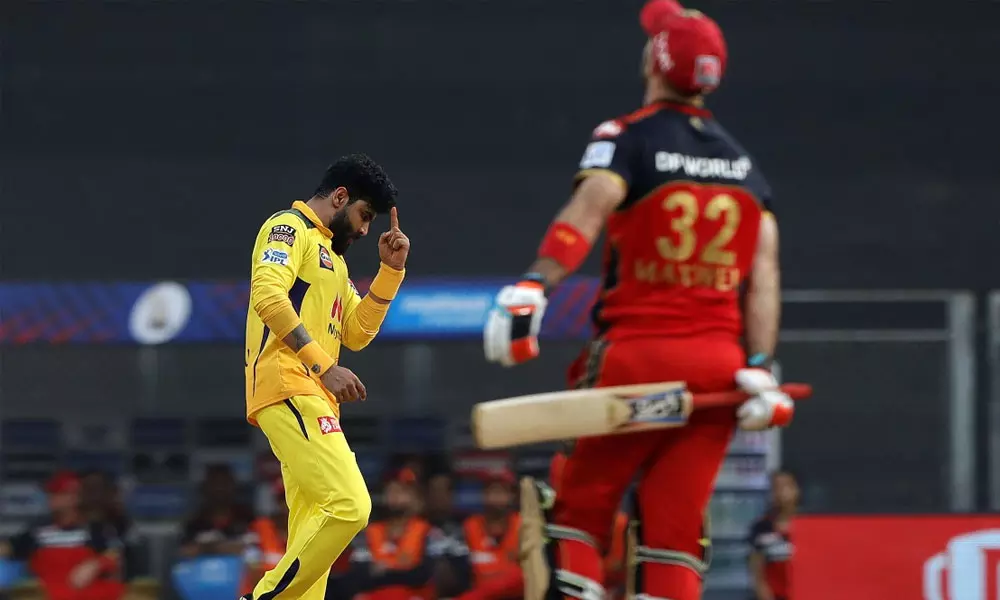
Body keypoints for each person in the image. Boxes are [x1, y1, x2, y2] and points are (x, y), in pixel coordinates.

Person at [482, 2, 793, 599]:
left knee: (576, 513)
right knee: (675, 531)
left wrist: (534, 285)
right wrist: (760, 366)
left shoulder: (627, 138)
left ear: (655, 58)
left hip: (635, 360)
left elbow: (588, 209)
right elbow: (765, 276)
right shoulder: (746, 167)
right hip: (719, 372)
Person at [243, 153, 408, 600]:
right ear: (340, 197)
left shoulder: (334, 260)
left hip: (313, 395)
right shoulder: (288, 228)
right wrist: (324, 366)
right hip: (289, 384)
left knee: (314, 532)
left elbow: (356, 333)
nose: (365, 230)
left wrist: (390, 273)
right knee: (350, 506)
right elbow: (267, 296)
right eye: (364, 215)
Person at [1, 471, 125, 600]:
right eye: (50, 493)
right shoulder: (39, 530)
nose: (51, 498)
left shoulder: (94, 529)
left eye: (58, 493)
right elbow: (10, 548)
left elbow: (115, 555)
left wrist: (95, 565)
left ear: (74, 497)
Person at [349, 469, 440, 600]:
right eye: (390, 491)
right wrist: (404, 568)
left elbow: (423, 575)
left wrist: (384, 570)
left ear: (415, 497)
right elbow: (360, 575)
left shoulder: (427, 531)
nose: (395, 496)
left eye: (401, 491)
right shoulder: (370, 531)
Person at [178, 464, 255, 560]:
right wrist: (224, 547)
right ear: (205, 488)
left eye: (224, 483)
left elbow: (257, 549)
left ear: (234, 487)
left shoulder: (247, 518)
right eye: (215, 483)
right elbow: (185, 551)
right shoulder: (195, 523)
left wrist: (208, 548)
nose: (220, 488)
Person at [748, 471, 798, 600]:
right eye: (776, 487)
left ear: (796, 490)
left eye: (786, 486)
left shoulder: (808, 527)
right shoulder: (760, 528)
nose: (781, 493)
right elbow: (757, 574)